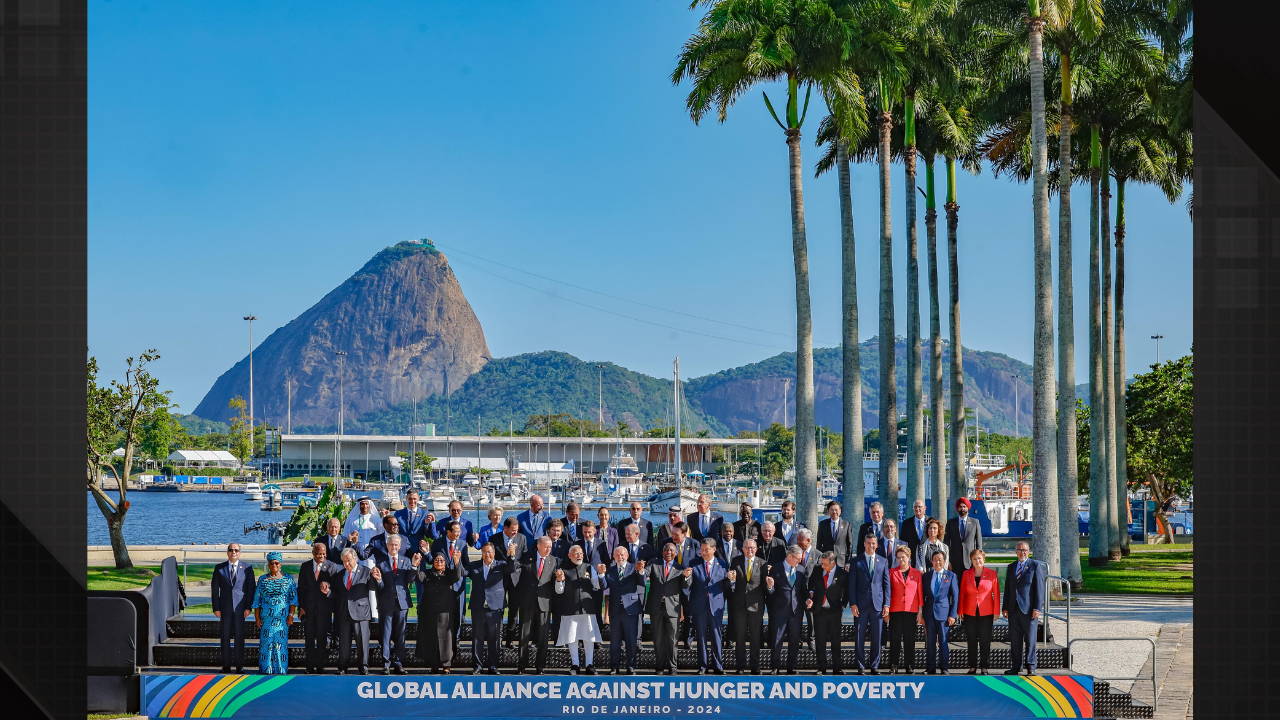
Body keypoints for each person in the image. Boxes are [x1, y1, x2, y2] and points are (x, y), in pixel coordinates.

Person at [464, 542, 514, 675]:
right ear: (481, 553)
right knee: (477, 638)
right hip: (478, 606)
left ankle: (493, 665)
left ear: (494, 553)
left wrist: (511, 556)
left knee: (495, 638)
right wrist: (456, 561)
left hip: (495, 607)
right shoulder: (475, 566)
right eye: (485, 552)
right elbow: (462, 572)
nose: (487, 554)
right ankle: (477, 666)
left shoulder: (501, 565)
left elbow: (512, 568)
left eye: (490, 552)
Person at [687, 538, 734, 675]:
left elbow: (725, 587)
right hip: (699, 605)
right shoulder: (694, 563)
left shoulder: (723, 564)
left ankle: (718, 666)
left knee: (716, 636)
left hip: (716, 605)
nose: (703, 552)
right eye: (702, 549)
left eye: (706, 549)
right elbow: (689, 584)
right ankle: (702, 666)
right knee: (700, 637)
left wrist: (731, 581)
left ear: (714, 549)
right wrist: (686, 577)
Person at [334, 547, 383, 675]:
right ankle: (343, 667)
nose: (347, 564)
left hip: (361, 613)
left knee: (362, 643)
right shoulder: (340, 574)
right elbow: (337, 593)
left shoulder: (366, 572)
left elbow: (376, 587)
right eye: (344, 561)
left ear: (355, 559)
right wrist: (328, 592)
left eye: (349, 560)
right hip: (344, 613)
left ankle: (363, 666)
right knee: (344, 643)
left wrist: (378, 579)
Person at [555, 544, 603, 674]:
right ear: (570, 555)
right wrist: (559, 580)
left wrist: (601, 574)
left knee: (589, 637)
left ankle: (589, 664)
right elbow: (559, 591)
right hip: (570, 609)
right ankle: (575, 664)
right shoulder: (563, 569)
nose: (579, 556)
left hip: (588, 608)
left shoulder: (589, 567)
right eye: (576, 553)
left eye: (581, 553)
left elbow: (597, 585)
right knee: (572, 637)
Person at [644, 542, 691, 675]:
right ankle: (659, 667)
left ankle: (672, 667)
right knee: (658, 638)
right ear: (662, 552)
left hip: (673, 608)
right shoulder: (654, 563)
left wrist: (687, 577)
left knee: (672, 639)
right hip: (656, 607)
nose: (668, 552)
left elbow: (685, 586)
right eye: (666, 550)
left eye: (671, 550)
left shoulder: (680, 568)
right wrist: (640, 570)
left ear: (676, 553)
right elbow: (643, 575)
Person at [373, 534, 416, 674]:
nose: (394, 547)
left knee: (400, 635)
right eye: (392, 544)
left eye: (396, 545)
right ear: (387, 545)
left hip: (402, 603)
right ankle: (386, 664)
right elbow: (379, 586)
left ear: (400, 546)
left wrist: (414, 566)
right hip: (386, 603)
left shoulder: (406, 561)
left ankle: (398, 663)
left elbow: (410, 580)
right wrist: (379, 580)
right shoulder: (380, 562)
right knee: (385, 635)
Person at [415, 550, 463, 674]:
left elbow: (457, 576)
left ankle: (446, 665)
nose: (439, 562)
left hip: (445, 613)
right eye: (436, 560)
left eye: (441, 560)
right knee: (432, 638)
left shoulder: (448, 575)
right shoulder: (427, 574)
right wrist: (416, 564)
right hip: (430, 612)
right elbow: (418, 577)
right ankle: (434, 664)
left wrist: (457, 562)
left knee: (446, 639)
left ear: (445, 562)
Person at [516, 536, 559, 674]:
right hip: (527, 602)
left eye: (550, 547)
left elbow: (553, 581)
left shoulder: (553, 560)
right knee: (524, 635)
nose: (548, 549)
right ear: (538, 546)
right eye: (546, 546)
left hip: (544, 603)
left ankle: (540, 666)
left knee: (543, 637)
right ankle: (522, 665)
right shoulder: (526, 558)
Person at [849, 533, 890, 675]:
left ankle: (874, 665)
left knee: (877, 636)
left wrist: (887, 605)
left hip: (878, 605)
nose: (871, 546)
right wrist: (853, 604)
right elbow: (851, 585)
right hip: (860, 605)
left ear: (877, 545)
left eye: (873, 543)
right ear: (864, 544)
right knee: (859, 636)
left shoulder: (883, 561)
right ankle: (860, 665)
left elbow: (886, 585)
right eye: (868, 543)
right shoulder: (856, 561)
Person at [250, 551, 297, 675]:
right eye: (271, 563)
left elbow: (293, 599)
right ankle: (266, 669)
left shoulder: (288, 579)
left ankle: (281, 670)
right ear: (268, 564)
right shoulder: (262, 579)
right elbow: (257, 599)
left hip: (282, 619)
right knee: (267, 644)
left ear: (281, 564)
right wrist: (257, 617)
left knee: (280, 645)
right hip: (266, 618)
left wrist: (291, 615)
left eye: (277, 563)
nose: (274, 565)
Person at [211, 543, 256, 673]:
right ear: (227, 552)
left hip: (240, 609)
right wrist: (216, 608)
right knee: (224, 637)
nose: (233, 552)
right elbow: (214, 590)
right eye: (231, 550)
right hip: (224, 609)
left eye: (236, 550)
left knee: (239, 636)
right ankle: (226, 666)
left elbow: (250, 589)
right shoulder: (219, 568)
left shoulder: (247, 568)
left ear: (240, 553)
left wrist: (248, 607)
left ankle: (239, 665)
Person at [298, 542, 342, 674]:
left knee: (323, 638)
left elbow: (336, 589)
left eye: (323, 554)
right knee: (309, 638)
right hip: (309, 609)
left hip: (325, 610)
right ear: (313, 554)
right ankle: (309, 665)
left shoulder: (332, 566)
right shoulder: (305, 567)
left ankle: (321, 665)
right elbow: (301, 588)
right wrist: (301, 607)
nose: (321, 556)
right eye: (318, 554)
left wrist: (328, 590)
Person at [764, 545, 808, 674]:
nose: (800, 561)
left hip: (796, 611)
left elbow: (803, 590)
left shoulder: (801, 569)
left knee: (794, 640)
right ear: (789, 556)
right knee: (777, 640)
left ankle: (791, 667)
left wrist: (807, 600)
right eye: (798, 558)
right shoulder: (776, 569)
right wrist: (770, 587)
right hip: (779, 611)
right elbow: (770, 592)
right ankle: (775, 667)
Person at [1003, 541, 1044, 676]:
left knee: (1030, 639)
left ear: (1029, 552)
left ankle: (1031, 666)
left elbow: (1039, 589)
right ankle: (1016, 666)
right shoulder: (1011, 567)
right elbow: (1008, 589)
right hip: (1013, 609)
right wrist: (1005, 607)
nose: (1022, 552)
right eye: (1020, 550)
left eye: (1025, 550)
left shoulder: (1035, 566)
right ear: (1016, 552)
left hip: (1028, 609)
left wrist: (1037, 608)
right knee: (1015, 640)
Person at [429, 520, 470, 652]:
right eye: (456, 531)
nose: (459, 534)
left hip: (458, 586)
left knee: (458, 615)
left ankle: (456, 640)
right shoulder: (437, 543)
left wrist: (459, 570)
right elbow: (432, 561)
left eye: (460, 531)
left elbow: (466, 566)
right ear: (448, 532)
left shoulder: (463, 544)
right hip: (441, 586)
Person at [604, 545, 646, 674]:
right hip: (615, 610)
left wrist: (641, 571)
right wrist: (601, 575)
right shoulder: (610, 571)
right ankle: (614, 666)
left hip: (631, 609)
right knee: (615, 639)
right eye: (618, 555)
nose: (620, 557)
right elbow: (604, 586)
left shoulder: (634, 568)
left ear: (627, 556)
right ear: (614, 557)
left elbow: (642, 582)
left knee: (631, 639)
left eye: (623, 554)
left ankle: (631, 665)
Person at [958, 548, 1000, 675]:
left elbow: (996, 594)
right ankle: (972, 667)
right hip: (969, 611)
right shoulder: (966, 574)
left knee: (985, 640)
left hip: (986, 611)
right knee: (971, 640)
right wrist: (960, 610)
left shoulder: (992, 573)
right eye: (974, 559)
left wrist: (996, 611)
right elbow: (962, 594)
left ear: (984, 559)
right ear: (971, 560)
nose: (977, 561)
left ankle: (984, 667)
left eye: (979, 558)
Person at [729, 538, 766, 674]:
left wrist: (770, 585)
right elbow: (732, 584)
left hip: (756, 606)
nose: (749, 550)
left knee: (755, 638)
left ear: (756, 549)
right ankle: (740, 667)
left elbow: (764, 587)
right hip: (739, 606)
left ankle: (755, 667)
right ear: (742, 549)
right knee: (740, 638)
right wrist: (731, 580)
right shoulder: (736, 561)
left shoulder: (762, 563)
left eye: (752, 548)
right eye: (747, 547)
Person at [808, 550, 848, 675]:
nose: (823, 567)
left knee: (835, 641)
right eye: (822, 564)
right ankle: (822, 667)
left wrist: (843, 604)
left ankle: (837, 667)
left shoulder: (842, 573)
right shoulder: (817, 570)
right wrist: (810, 595)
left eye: (825, 564)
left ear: (833, 563)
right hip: (819, 611)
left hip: (834, 611)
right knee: (820, 640)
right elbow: (810, 585)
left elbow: (847, 590)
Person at [921, 549, 960, 675]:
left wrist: (953, 615)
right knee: (930, 642)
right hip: (929, 613)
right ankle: (930, 667)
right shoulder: (926, 576)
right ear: (932, 561)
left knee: (943, 642)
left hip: (944, 614)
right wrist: (921, 612)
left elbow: (955, 596)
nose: (937, 562)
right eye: (935, 559)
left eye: (940, 559)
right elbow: (922, 595)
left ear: (944, 561)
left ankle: (944, 667)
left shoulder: (951, 576)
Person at [887, 545, 923, 674]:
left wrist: (920, 611)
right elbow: (888, 592)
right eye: (898, 558)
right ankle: (894, 666)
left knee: (909, 640)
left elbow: (919, 593)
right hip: (895, 611)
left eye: (903, 557)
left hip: (911, 611)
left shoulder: (917, 573)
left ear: (909, 557)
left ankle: (909, 666)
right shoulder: (892, 572)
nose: (901, 560)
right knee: (895, 639)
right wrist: (886, 610)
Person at [492, 518, 528, 647]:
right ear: (505, 528)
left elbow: (524, 558)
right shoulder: (494, 539)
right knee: (498, 610)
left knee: (513, 611)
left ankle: (510, 640)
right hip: (499, 579)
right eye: (512, 530)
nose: (515, 533)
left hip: (516, 579)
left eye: (516, 530)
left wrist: (513, 562)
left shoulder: (521, 538)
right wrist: (507, 561)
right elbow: (492, 560)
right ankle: (497, 639)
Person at [944, 497, 983, 576]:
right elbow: (946, 543)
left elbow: (979, 543)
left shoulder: (975, 522)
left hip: (970, 562)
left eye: (964, 507)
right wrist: (948, 561)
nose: (962, 509)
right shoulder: (950, 523)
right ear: (957, 509)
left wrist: (978, 560)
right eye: (960, 507)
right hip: (955, 562)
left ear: (968, 508)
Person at [817, 501, 854, 569]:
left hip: (841, 560)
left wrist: (849, 561)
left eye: (836, 510)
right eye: (831, 510)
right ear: (828, 511)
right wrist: (819, 559)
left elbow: (850, 545)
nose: (834, 512)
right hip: (826, 560)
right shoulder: (823, 524)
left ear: (840, 511)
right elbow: (819, 543)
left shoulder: (846, 524)